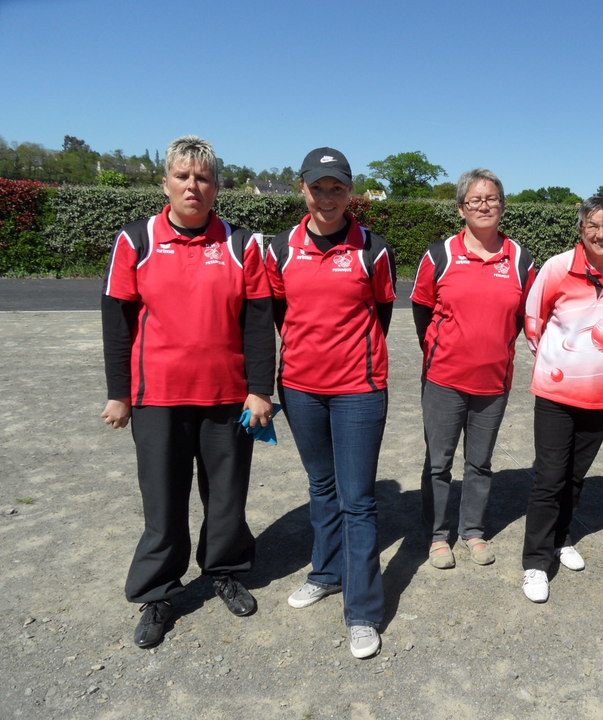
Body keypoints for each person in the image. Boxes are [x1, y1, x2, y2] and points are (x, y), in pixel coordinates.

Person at [101, 135, 275, 649]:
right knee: (163, 498)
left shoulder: (242, 243)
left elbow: (258, 321)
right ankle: (157, 591)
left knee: (226, 496)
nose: (192, 186)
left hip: (227, 396)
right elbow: (117, 322)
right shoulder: (136, 239)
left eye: (202, 178)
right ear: (166, 183)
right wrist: (119, 393)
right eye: (182, 176)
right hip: (157, 395)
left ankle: (224, 569)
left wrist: (260, 390)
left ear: (217, 186)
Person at [265, 147, 396, 659]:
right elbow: (280, 313)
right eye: (317, 187)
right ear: (302, 188)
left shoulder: (373, 249)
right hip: (300, 387)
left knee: (357, 500)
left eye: (336, 188)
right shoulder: (280, 248)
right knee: (321, 486)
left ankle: (362, 611)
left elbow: (380, 312)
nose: (326, 197)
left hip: (358, 390)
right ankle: (325, 572)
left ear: (349, 192)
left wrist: (350, 357)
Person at [411, 169, 535, 570]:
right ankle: (437, 535)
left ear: (503, 205)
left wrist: (492, 346)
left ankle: (473, 530)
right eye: (475, 200)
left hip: (493, 381)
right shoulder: (440, 255)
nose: (484, 206)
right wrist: (442, 349)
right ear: (461, 208)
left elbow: (523, 316)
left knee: (480, 463)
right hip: (444, 379)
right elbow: (421, 309)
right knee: (439, 463)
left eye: (492, 198)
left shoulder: (521, 260)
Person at [520, 195, 603, 603]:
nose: (601, 234)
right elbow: (534, 322)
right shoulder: (557, 267)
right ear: (581, 229)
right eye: (593, 225)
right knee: (549, 477)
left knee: (575, 475)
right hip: (556, 392)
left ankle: (561, 538)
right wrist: (561, 364)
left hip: (602, 395)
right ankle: (536, 562)